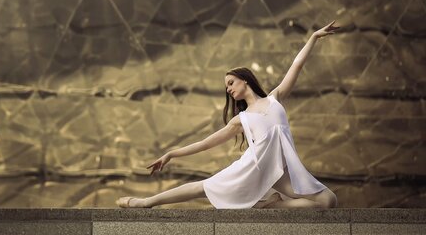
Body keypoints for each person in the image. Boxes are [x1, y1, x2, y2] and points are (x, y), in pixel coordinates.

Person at [116, 20, 341, 209]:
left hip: (281, 172)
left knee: (328, 200)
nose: (229, 89)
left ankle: (271, 206)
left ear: (245, 79)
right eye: (227, 87)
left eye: (231, 83)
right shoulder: (240, 120)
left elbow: (297, 65)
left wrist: (313, 37)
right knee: (202, 187)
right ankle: (144, 202)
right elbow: (205, 144)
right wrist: (171, 154)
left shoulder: (275, 98)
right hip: (254, 168)